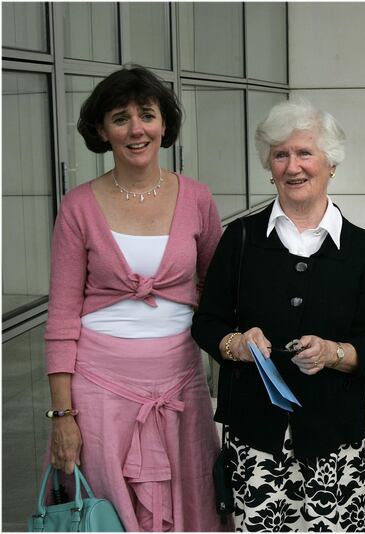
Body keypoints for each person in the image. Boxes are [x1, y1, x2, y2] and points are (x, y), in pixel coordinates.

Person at [192, 98, 365, 532]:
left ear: (330, 163)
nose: (293, 166)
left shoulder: (359, 247)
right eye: (281, 154)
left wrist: (334, 353)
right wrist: (236, 345)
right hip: (256, 440)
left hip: (333, 442)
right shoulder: (240, 238)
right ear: (269, 164)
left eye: (305, 153)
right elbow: (207, 322)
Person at [44, 65, 223, 531]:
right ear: (102, 131)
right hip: (99, 389)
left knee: (194, 504)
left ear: (164, 125)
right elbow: (62, 317)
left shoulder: (198, 199)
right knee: (106, 512)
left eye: (147, 115)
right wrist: (62, 415)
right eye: (120, 118)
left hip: (181, 383)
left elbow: (220, 293)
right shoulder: (78, 206)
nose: (136, 129)